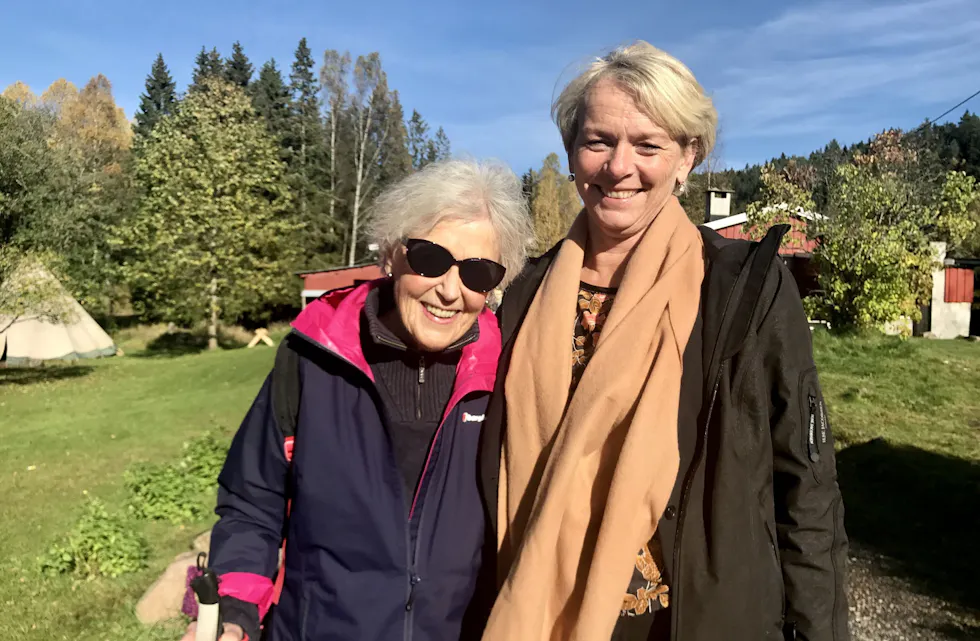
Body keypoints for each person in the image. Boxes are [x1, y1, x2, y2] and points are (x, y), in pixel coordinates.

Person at [474, 42, 849, 641]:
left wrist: (819, 630)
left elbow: (804, 481)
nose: (619, 167)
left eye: (648, 145)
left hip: (695, 621)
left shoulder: (741, 288)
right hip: (543, 611)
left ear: (687, 158)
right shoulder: (524, 295)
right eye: (598, 141)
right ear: (572, 153)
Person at [181, 158, 532, 641]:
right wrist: (236, 611)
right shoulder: (314, 357)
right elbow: (251, 502)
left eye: (478, 272)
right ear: (391, 253)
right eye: (430, 260)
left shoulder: (507, 372)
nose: (451, 291)